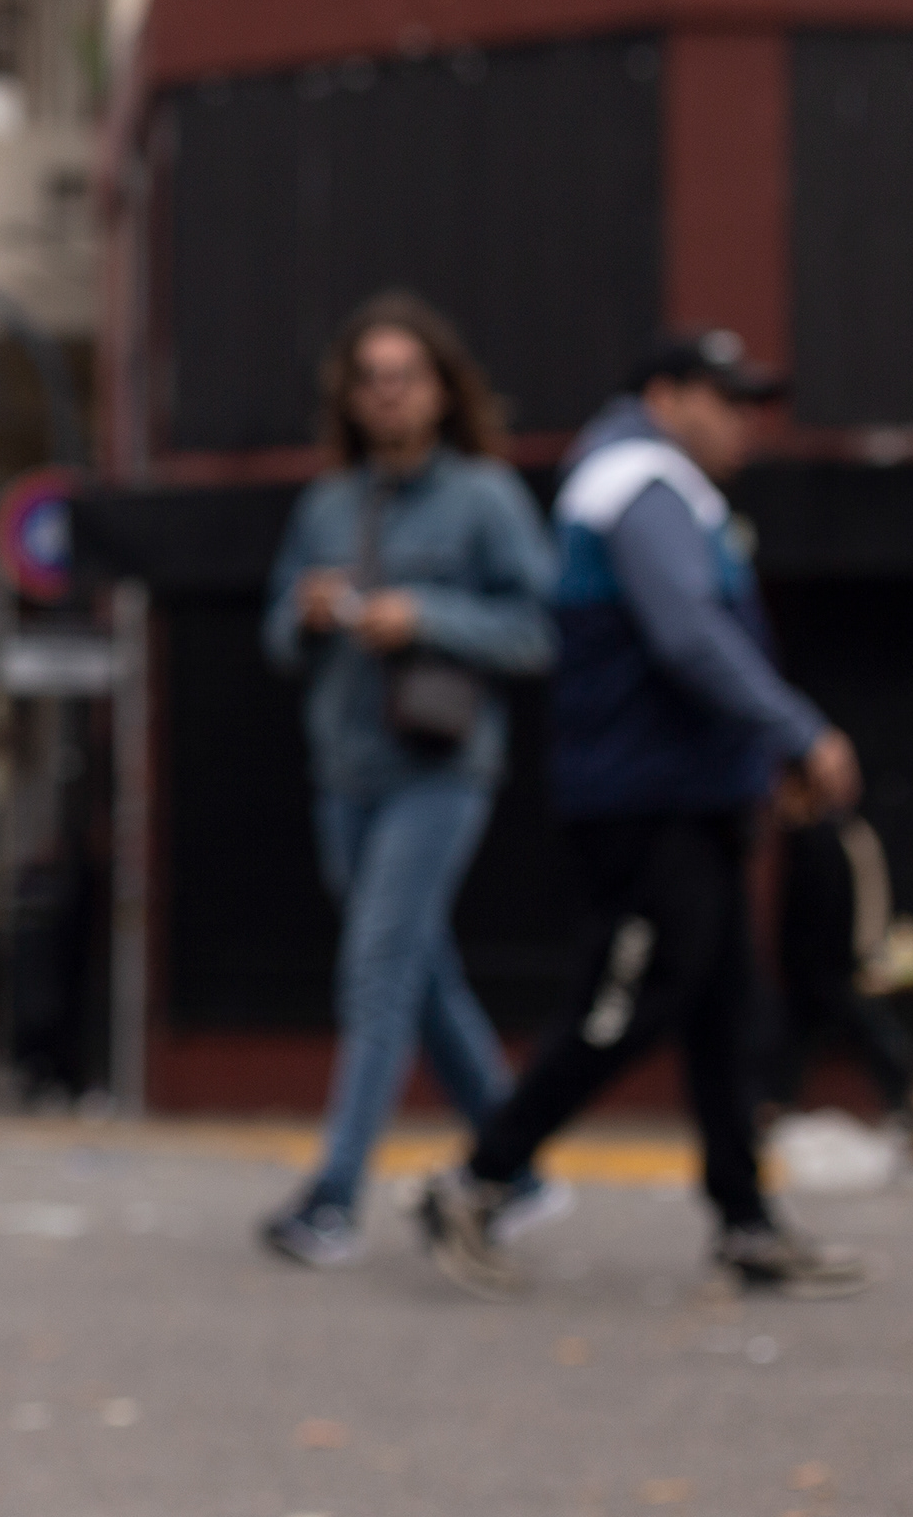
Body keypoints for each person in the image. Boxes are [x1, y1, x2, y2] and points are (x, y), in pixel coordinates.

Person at [423, 332, 873, 1300]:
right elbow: (689, 637)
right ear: (666, 396)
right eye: (727, 399)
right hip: (645, 804)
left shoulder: (662, 488)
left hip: (689, 796)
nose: (746, 422)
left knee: (724, 1014)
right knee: (623, 1008)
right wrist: (799, 733)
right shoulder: (638, 482)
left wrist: (757, 758)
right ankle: (478, 1179)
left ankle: (746, 1220)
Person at [253, 295, 561, 1268]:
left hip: (441, 769)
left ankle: (334, 1198)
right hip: (344, 771)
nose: (388, 394)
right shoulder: (326, 505)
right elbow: (276, 640)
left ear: (441, 389)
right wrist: (307, 616)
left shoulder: (484, 498)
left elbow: (539, 630)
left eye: (406, 376)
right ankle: (517, 1166)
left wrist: (422, 616)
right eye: (371, 378)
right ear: (349, 395)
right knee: (420, 975)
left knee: (379, 969)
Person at [758, 764, 913, 1130]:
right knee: (803, 1034)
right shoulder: (815, 837)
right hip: (819, 967)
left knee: (863, 1027)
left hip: (828, 966)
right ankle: (774, 1102)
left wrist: (855, 956)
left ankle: (912, 1096)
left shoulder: (826, 839)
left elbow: (833, 910)